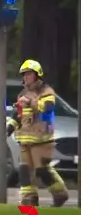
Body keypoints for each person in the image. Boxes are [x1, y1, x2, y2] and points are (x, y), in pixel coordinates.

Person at [6, 59, 69, 207]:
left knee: (42, 170)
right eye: (24, 74)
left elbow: (48, 109)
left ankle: (61, 194)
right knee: (24, 170)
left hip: (42, 140)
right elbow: (18, 115)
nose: (26, 77)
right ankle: (29, 200)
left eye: (29, 74)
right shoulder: (23, 93)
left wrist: (30, 102)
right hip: (25, 140)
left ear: (37, 75)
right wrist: (9, 128)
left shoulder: (46, 92)